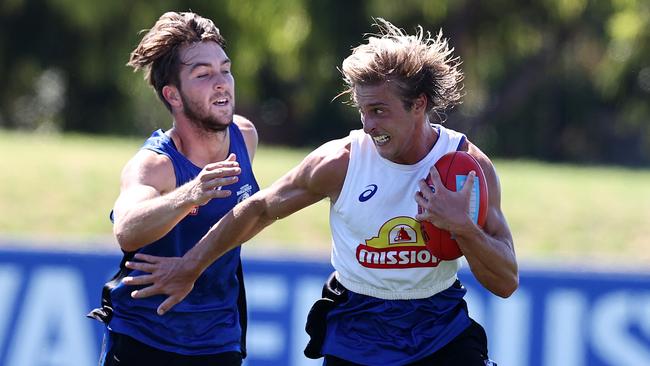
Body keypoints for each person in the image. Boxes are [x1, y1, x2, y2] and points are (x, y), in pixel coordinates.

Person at [123, 18, 518, 365]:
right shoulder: (342, 162)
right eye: (362, 110)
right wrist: (190, 266)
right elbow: (259, 209)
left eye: (379, 110)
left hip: (440, 331)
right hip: (356, 330)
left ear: (419, 104)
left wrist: (462, 226)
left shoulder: (467, 169)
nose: (367, 125)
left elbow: (505, 282)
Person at [86, 11, 259, 366]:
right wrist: (191, 193)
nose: (222, 82)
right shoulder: (155, 165)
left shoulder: (245, 137)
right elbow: (127, 230)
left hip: (219, 339)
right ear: (173, 95)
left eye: (225, 69)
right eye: (204, 75)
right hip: (146, 339)